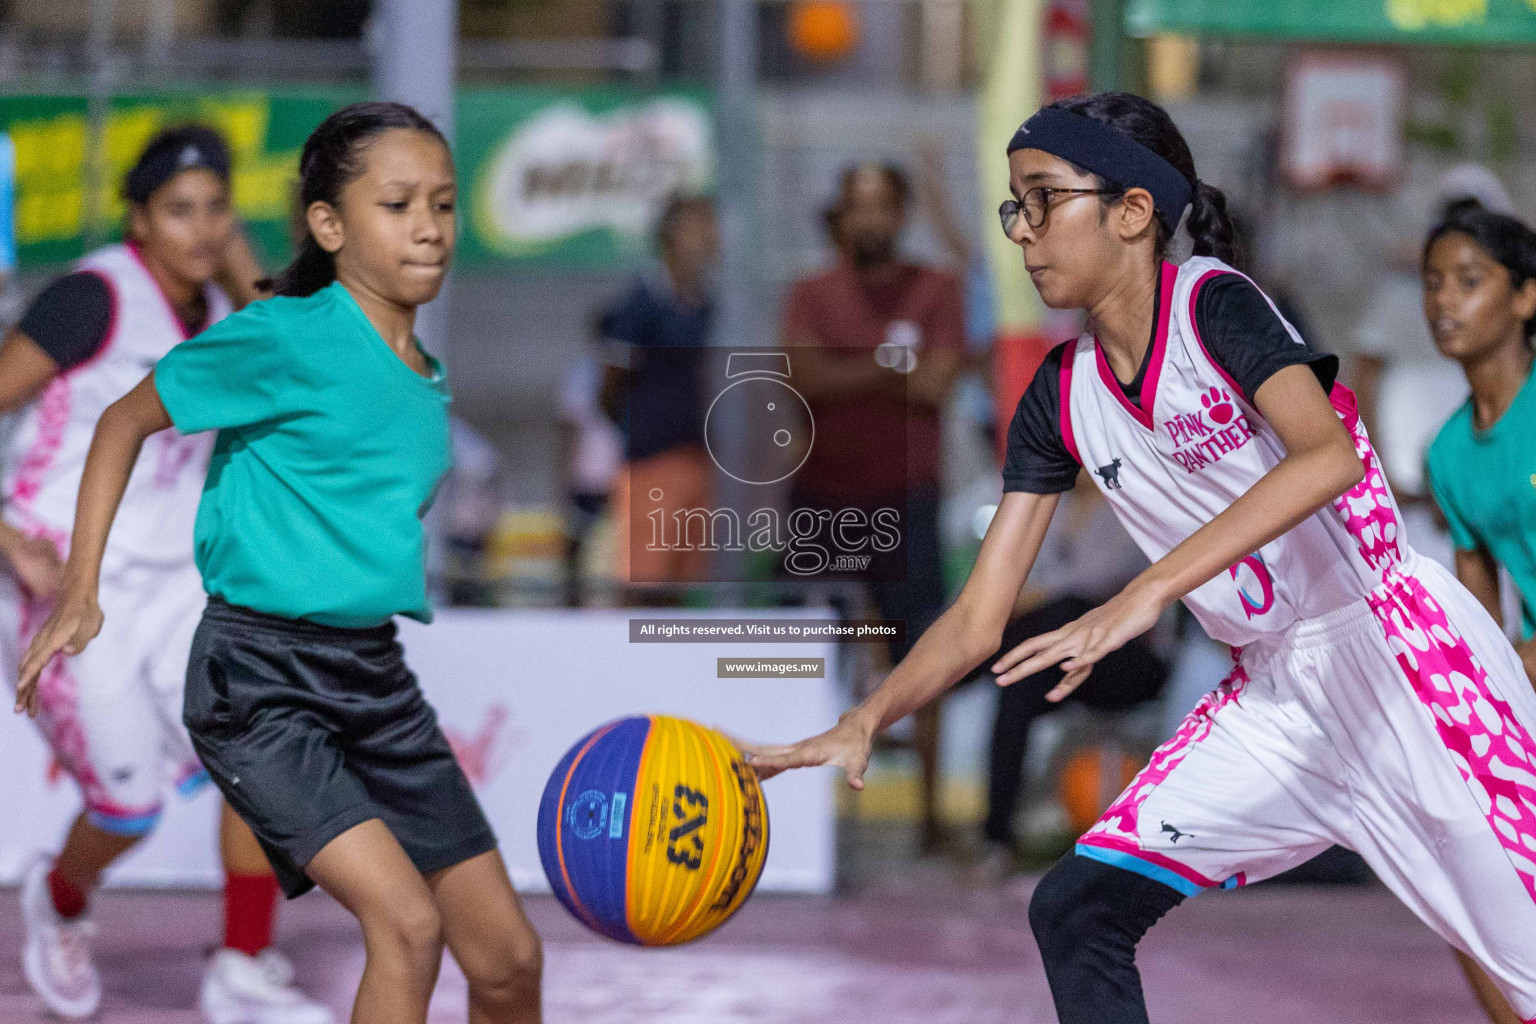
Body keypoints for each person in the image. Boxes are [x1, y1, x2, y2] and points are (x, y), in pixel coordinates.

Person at [747, 91, 1536, 1023]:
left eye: (1045, 199)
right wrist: (868, 716)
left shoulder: (1215, 305)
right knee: (1076, 907)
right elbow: (978, 615)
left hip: (1406, 661)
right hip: (1279, 699)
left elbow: (1323, 457)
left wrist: (1147, 590)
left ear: (1130, 212)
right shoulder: (1060, 395)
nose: (1024, 230)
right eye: (1016, 206)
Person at [13, 102, 543, 1024]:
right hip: (256, 675)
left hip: (371, 674)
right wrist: (78, 590)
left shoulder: (422, 378)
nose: (428, 224)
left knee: (507, 961)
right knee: (406, 928)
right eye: (398, 203)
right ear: (330, 226)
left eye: (445, 204)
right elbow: (122, 419)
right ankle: (139, 925)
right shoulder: (279, 334)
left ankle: (243, 955)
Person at [0, 125, 330, 1023]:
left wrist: (236, 262)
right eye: (179, 209)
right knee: (128, 809)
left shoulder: (228, 317)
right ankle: (61, 900)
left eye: (216, 208)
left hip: (182, 586)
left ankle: (243, 964)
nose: (199, 227)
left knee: (265, 754)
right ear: (141, 218)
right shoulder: (93, 298)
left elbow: (302, 356)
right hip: (75, 586)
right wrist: (3, 534)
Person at [1423, 204, 1536, 1024]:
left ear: (1525, 299)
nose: (1444, 302)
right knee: (1450, 865)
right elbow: (1475, 618)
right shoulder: (1448, 452)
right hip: (1525, 677)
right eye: (1433, 284)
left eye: (1469, 282)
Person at [963, 476, 1167, 879]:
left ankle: (964, 669)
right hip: (1058, 660)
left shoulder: (1134, 509)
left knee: (1065, 612)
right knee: (1015, 689)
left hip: (1126, 661)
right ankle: (996, 839)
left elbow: (1091, 584)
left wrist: (1023, 599)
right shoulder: (1053, 510)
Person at [600, 194, 718, 594]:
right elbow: (610, 383)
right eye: (697, 227)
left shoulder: (703, 303)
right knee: (644, 583)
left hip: (692, 454)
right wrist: (639, 427)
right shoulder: (640, 303)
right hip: (650, 460)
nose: (708, 237)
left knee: (681, 583)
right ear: (671, 235)